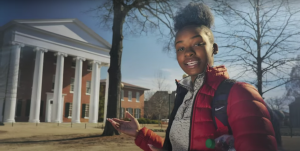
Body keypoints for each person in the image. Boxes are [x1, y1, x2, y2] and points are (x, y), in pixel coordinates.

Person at [107, 2, 277, 151]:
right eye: (180, 48)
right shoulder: (183, 96)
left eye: (197, 43)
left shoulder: (240, 93)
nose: (188, 52)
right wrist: (139, 134)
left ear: (214, 48)